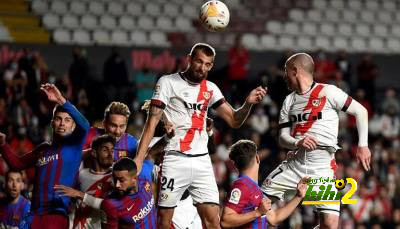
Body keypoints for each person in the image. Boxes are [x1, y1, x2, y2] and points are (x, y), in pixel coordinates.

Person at [134, 43, 267, 229]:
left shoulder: (211, 89)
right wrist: (138, 160)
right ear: (189, 59)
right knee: (164, 221)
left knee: (213, 222)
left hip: (202, 162)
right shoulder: (168, 82)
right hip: (175, 159)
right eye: (199, 62)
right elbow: (151, 123)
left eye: (207, 64)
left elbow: (235, 121)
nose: (202, 68)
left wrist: (247, 104)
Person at [261, 53, 371, 229]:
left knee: (330, 224)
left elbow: (361, 111)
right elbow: (282, 138)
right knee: (256, 203)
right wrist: (298, 142)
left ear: (295, 71)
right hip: (294, 164)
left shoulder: (328, 92)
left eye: (286, 71)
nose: (284, 76)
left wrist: (363, 145)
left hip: (321, 168)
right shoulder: (288, 100)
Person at [0, 83, 90, 229]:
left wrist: (61, 100)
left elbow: (85, 125)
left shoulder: (74, 145)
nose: (62, 123)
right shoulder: (43, 148)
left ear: (73, 126)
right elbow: (16, 164)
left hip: (55, 216)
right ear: (52, 123)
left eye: (67, 120)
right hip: (33, 216)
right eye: (59, 119)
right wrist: (3, 144)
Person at [221, 140, 308, 228]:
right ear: (257, 158)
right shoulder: (241, 186)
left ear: (235, 165)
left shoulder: (255, 188)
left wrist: (298, 196)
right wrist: (257, 212)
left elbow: (274, 218)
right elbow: (225, 221)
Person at [70, 134, 116, 228]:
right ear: (94, 153)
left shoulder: (116, 178)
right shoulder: (81, 174)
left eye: (112, 150)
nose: (110, 154)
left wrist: (80, 194)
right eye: (105, 150)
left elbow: (110, 206)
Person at [83, 101, 138, 166]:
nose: (117, 131)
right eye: (113, 126)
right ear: (104, 124)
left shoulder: (132, 143)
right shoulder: (89, 135)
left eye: (122, 126)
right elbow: (75, 157)